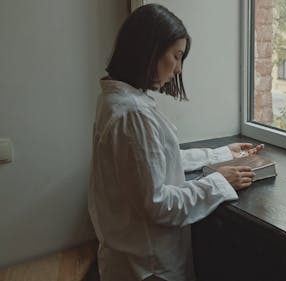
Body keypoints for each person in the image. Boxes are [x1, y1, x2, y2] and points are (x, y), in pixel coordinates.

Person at [88, 4, 264, 281]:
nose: (179, 68)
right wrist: (217, 182)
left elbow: (153, 161)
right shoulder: (133, 113)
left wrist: (218, 154)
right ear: (149, 50)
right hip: (148, 266)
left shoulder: (116, 100)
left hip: (130, 257)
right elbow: (158, 203)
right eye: (176, 56)